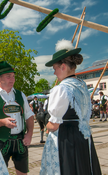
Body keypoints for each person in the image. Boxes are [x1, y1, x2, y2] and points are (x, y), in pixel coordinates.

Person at [40, 39, 101, 175]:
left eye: (55, 69)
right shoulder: (82, 86)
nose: (54, 73)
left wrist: (46, 126)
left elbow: (54, 125)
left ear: (63, 67)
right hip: (83, 137)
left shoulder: (61, 89)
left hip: (67, 139)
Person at [0, 61, 34, 175]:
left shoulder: (21, 95)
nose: (13, 79)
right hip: (0, 142)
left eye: (13, 76)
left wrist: (29, 134)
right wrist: (2, 122)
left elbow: (29, 115)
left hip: (20, 141)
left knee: (23, 173)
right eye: (8, 76)